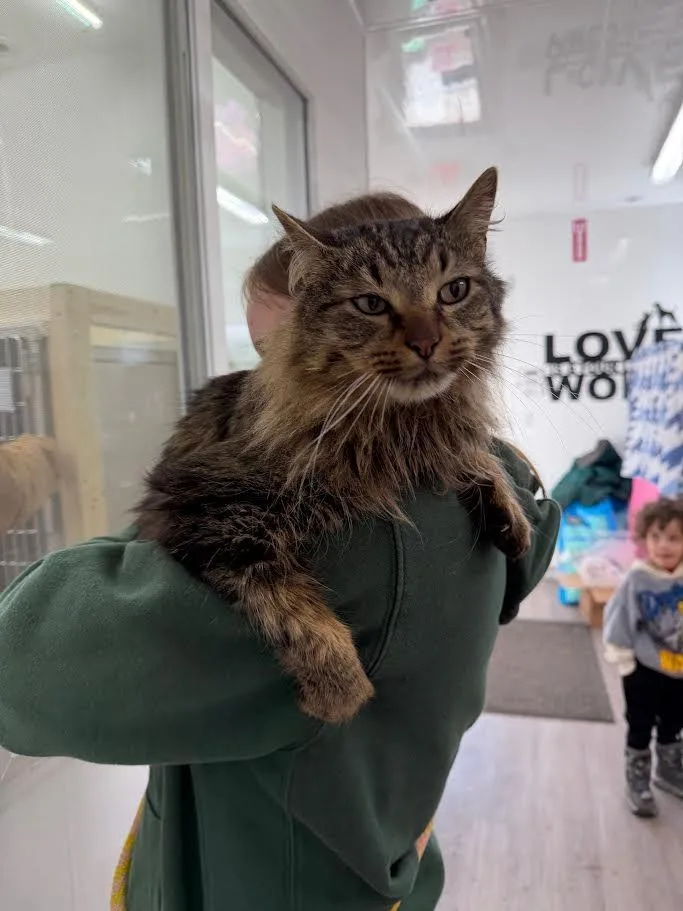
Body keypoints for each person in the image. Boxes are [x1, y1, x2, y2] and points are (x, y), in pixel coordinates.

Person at [0, 193, 560, 911]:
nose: (272, 379)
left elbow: (22, 674)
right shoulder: (495, 478)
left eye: (280, 350)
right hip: (384, 849)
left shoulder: (354, 540)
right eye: (262, 357)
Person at [604, 498, 683, 818]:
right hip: (645, 670)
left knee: (675, 723)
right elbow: (618, 619)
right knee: (640, 724)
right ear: (644, 539)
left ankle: (668, 769)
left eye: (674, 538)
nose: (663, 545)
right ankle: (637, 778)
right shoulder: (637, 579)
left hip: (679, 671)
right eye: (655, 536)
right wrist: (625, 664)